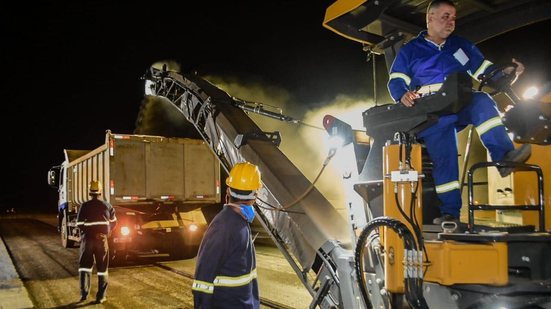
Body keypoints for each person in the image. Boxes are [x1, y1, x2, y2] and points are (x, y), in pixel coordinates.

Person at [387, 0, 531, 224]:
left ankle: (504, 158)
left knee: (482, 100)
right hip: (431, 112)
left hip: (460, 103)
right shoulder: (410, 51)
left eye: (453, 18)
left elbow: (485, 71)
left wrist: (510, 73)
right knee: (446, 158)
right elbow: (396, 81)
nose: (451, 22)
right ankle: (450, 215)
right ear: (430, 18)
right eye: (445, 16)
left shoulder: (461, 45)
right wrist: (402, 95)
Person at [192, 162, 262, 309]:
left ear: (228, 192)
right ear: (255, 195)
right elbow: (202, 282)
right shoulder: (223, 227)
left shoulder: (239, 222)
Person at [76, 180, 117, 304]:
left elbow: (79, 224)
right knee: (102, 268)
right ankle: (101, 296)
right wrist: (105, 232)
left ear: (89, 192)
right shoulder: (107, 206)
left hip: (87, 240)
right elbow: (114, 222)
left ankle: (84, 294)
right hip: (101, 240)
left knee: (85, 267)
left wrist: (89, 232)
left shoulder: (84, 206)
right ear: (100, 191)